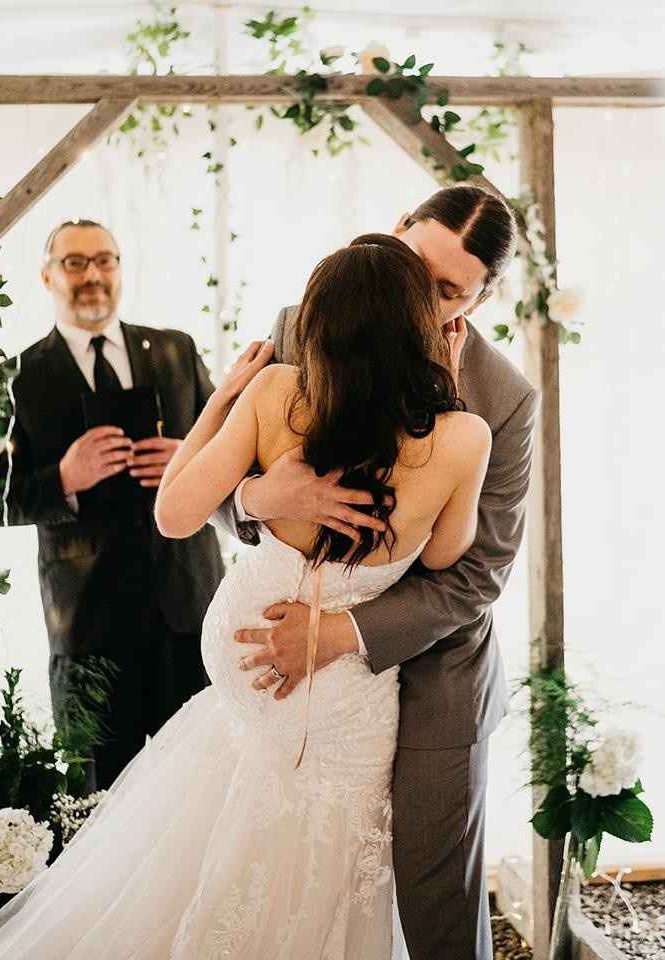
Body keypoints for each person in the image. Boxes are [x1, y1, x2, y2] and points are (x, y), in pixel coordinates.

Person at [0, 234, 491, 959]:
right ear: (422, 325)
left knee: (199, 868)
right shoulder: (464, 438)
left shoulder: (275, 394)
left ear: (318, 322)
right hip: (346, 707)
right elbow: (445, 556)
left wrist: (221, 400)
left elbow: (174, 514)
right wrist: (445, 394)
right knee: (316, 877)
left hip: (245, 687)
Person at [224, 185, 539, 960]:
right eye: (413, 266)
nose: (416, 299)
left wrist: (340, 632)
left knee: (434, 908)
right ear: (393, 230)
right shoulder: (306, 325)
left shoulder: (503, 399)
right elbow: (216, 482)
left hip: (434, 676)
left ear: (482, 299)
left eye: (448, 291)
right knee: (283, 883)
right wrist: (261, 497)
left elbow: (477, 574)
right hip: (295, 682)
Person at [0, 219, 224, 791]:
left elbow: (237, 447)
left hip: (187, 610)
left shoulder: (175, 350)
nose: (92, 274)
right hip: (87, 626)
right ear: (47, 276)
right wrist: (62, 478)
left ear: (120, 269)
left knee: (200, 786)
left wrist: (190, 457)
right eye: (74, 263)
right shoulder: (16, 376)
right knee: (100, 798)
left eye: (104, 260)